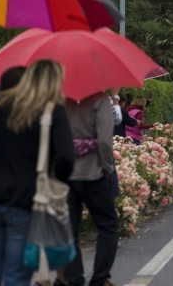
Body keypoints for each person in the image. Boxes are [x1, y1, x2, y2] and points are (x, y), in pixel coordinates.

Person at [0, 60, 74, 286]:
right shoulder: (49, 111)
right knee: (16, 275)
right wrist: (55, 178)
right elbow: (67, 156)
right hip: (25, 199)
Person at [64, 92, 118, 286]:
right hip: (93, 173)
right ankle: (100, 278)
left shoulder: (60, 100)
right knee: (108, 225)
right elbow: (104, 142)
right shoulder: (100, 100)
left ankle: (74, 280)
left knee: (70, 231)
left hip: (65, 173)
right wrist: (107, 167)